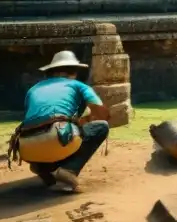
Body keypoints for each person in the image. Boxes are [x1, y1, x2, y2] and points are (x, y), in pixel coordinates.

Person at [9, 50, 110, 191]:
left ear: (51, 72)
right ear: (74, 72)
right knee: (101, 126)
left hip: (25, 146)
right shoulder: (79, 86)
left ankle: (43, 168)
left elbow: (34, 118)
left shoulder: (33, 89)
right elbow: (102, 114)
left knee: (58, 131)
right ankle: (69, 170)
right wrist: (84, 121)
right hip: (55, 137)